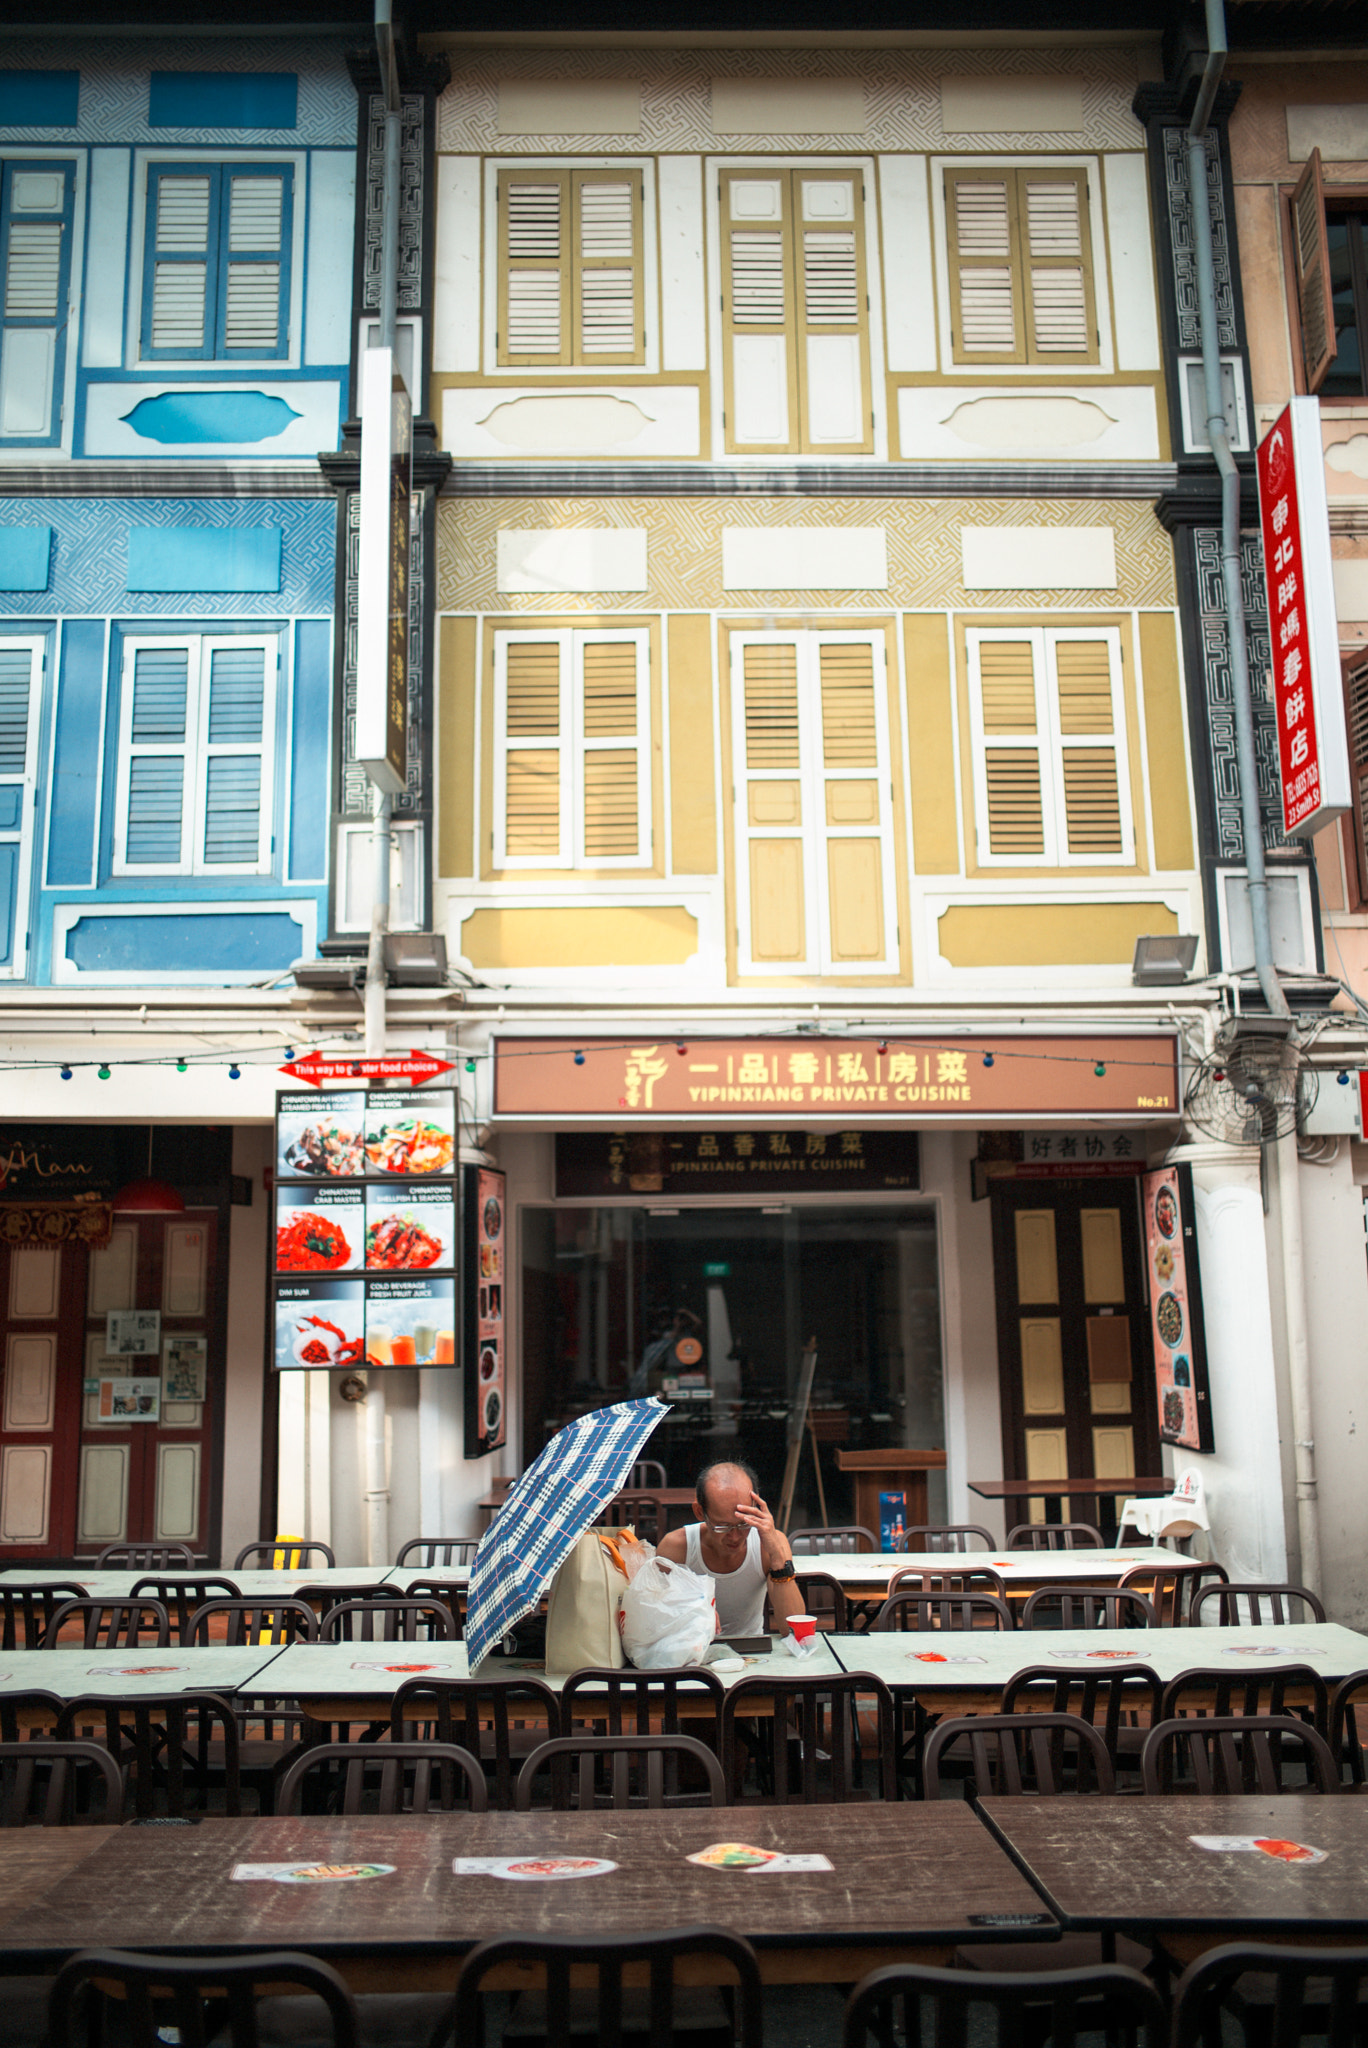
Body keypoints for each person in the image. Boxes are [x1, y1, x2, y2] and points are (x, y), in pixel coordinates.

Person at [657, 1460, 804, 1637]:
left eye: (744, 1524)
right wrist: (693, 1610)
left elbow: (793, 1630)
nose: (735, 1537)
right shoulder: (677, 1547)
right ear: (699, 1512)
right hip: (692, 1653)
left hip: (751, 1651)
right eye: (722, 1527)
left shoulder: (769, 1544)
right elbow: (657, 1619)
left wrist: (778, 1558)